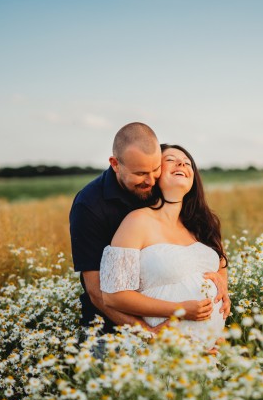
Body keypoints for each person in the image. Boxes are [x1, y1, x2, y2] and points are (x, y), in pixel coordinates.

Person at [69, 122, 230, 336]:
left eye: (156, 170)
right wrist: (150, 335)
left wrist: (221, 287)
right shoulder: (92, 206)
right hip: (115, 331)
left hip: (204, 346)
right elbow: (101, 293)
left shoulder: (195, 217)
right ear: (115, 164)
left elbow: (215, 260)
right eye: (141, 173)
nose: (151, 180)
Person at [99, 144, 228, 348]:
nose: (181, 163)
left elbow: (220, 271)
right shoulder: (136, 222)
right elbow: (113, 296)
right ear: (155, 173)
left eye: (187, 162)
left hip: (211, 353)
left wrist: (221, 290)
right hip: (163, 351)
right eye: (171, 160)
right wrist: (180, 310)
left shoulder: (204, 224)